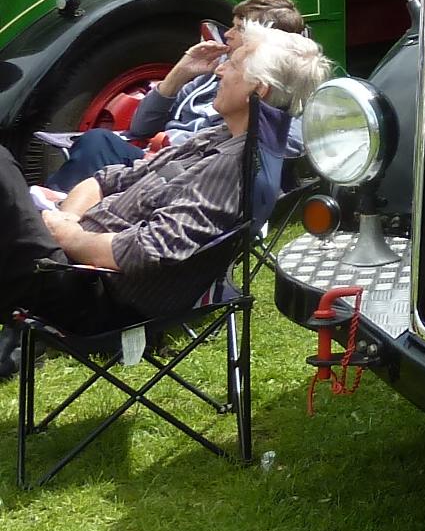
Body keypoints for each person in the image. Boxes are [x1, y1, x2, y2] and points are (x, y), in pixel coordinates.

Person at [0, 23, 334, 380]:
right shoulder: (218, 137)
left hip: (93, 295)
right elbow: (108, 178)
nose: (220, 69)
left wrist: (65, 235)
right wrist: (65, 218)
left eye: (233, 64)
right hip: (72, 260)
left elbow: (146, 249)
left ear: (259, 89)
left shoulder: (236, 169)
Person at [45, 0, 307, 193]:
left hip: (189, 171)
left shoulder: (277, 89)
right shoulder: (209, 75)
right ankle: (52, 214)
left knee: (97, 144)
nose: (227, 34)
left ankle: (48, 216)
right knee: (97, 145)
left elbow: (292, 141)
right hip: (157, 159)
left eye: (238, 28)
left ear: (263, 38)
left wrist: (181, 149)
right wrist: (180, 73)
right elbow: (140, 126)